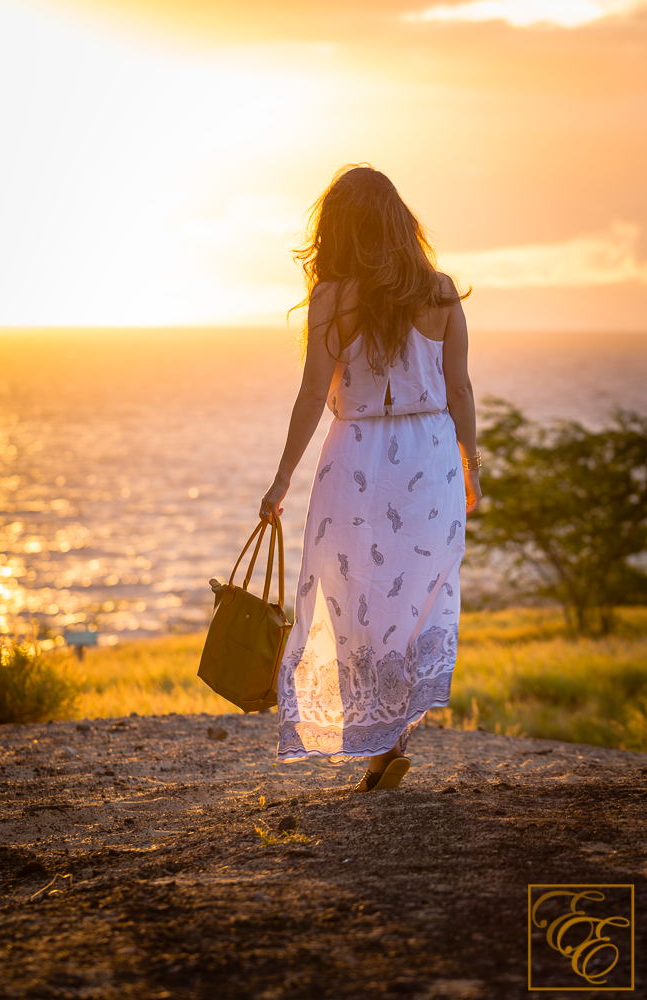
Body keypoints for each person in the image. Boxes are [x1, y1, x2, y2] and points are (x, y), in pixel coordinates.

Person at [259, 164, 481, 792]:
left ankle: (381, 740)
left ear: (338, 229)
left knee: (354, 595)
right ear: (399, 224)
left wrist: (280, 482)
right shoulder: (439, 292)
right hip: (430, 456)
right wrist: (471, 467)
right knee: (415, 596)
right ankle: (392, 741)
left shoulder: (332, 296)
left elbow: (310, 395)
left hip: (355, 456)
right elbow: (460, 388)